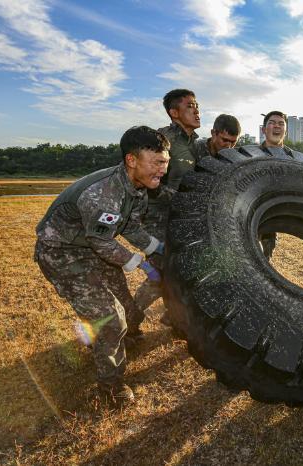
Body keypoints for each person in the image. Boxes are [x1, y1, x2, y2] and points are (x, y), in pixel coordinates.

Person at [34, 126, 170, 405]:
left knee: (127, 306)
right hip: (62, 252)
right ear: (132, 160)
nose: (162, 170)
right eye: (156, 162)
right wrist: (143, 266)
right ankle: (111, 385)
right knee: (110, 316)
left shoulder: (138, 187)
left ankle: (118, 340)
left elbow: (130, 227)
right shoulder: (104, 194)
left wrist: (157, 247)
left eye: (165, 162)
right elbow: (103, 243)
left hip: (91, 244)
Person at [134, 89, 201, 326]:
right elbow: (146, 179)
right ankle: (125, 323)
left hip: (183, 216)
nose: (196, 110)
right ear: (174, 113)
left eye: (197, 105)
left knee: (181, 269)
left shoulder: (196, 144)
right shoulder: (161, 140)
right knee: (159, 272)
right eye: (190, 106)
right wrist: (180, 199)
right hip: (157, 215)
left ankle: (173, 316)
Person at [242, 111, 303, 259]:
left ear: (286, 130)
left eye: (281, 124)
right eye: (272, 123)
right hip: (247, 217)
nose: (276, 126)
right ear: (263, 129)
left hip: (273, 222)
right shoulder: (248, 156)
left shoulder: (297, 160)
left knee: (264, 261)